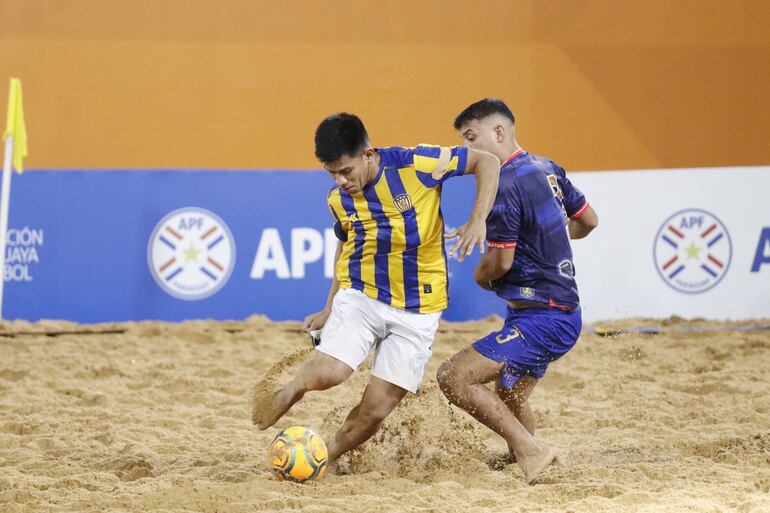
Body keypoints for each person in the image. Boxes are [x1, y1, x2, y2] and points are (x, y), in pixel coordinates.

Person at [252, 112, 500, 468]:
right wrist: (329, 306)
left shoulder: (418, 163)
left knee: (375, 410)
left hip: (420, 307)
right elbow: (346, 245)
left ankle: (324, 457)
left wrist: (478, 218)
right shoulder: (338, 201)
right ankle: (292, 389)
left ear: (368, 153)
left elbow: (486, 161)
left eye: (345, 171)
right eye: (331, 173)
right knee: (330, 373)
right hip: (363, 295)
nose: (340, 181)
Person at [436, 98, 598, 483]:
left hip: (544, 317)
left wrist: (480, 278)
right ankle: (528, 459)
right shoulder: (547, 167)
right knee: (509, 395)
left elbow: (499, 264)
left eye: (472, 139)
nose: (469, 151)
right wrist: (550, 239)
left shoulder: (503, 183)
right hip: (559, 311)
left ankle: (532, 450)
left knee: (453, 377)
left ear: (499, 132)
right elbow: (589, 220)